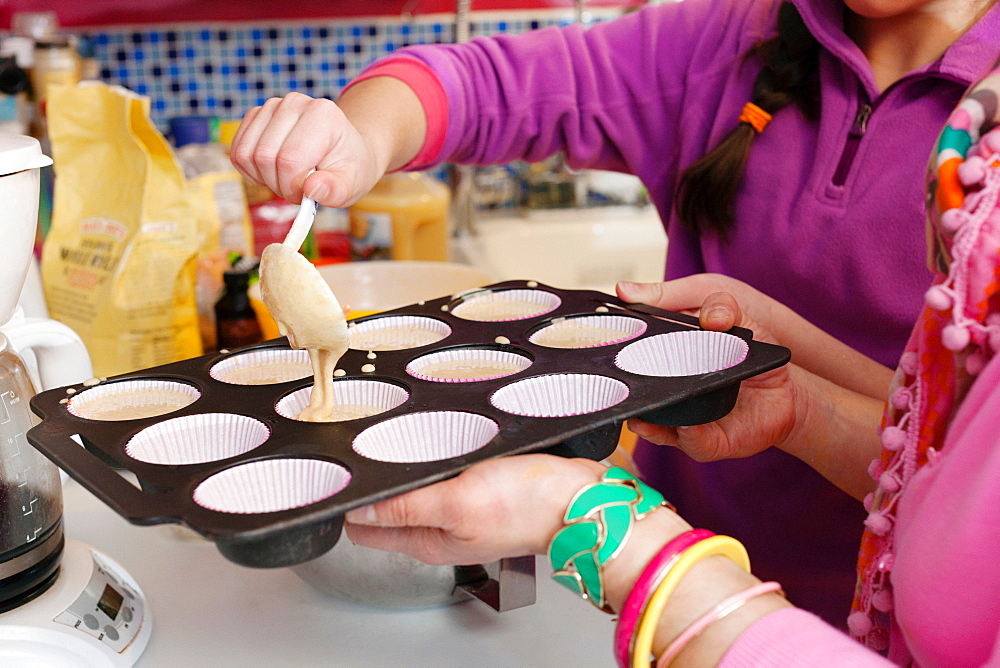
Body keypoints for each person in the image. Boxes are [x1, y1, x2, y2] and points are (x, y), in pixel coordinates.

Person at [229, 0, 1000, 627]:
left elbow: (969, 475)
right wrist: (359, 137)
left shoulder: (981, 146)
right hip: (663, 588)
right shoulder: (735, 39)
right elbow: (477, 83)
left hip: (898, 624)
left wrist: (578, 510)